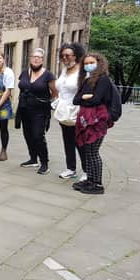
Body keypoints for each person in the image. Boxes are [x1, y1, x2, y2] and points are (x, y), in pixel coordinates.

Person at [72, 52, 113, 195]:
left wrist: (85, 98)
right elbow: (75, 100)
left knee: (93, 152)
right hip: (85, 119)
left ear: (99, 63)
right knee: (88, 152)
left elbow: (96, 100)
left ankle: (97, 184)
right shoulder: (86, 80)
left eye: (91, 63)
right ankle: (90, 180)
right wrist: (85, 96)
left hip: (97, 120)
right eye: (86, 63)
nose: (88, 65)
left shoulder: (103, 79)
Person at [16, 48, 57, 175]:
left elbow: (55, 92)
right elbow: (22, 87)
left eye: (38, 57)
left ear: (42, 60)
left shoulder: (48, 75)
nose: (36, 58)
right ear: (30, 58)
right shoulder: (24, 73)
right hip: (24, 108)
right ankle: (33, 159)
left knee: (38, 136)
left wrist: (45, 101)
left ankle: (44, 163)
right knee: (27, 134)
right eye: (34, 56)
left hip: (40, 111)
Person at [54, 42, 87, 180]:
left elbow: (87, 91)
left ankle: (87, 170)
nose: (65, 58)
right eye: (62, 56)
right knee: (67, 140)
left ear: (76, 56)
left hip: (77, 111)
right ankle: (70, 168)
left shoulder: (83, 72)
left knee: (80, 142)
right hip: (63, 111)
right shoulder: (64, 70)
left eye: (68, 55)